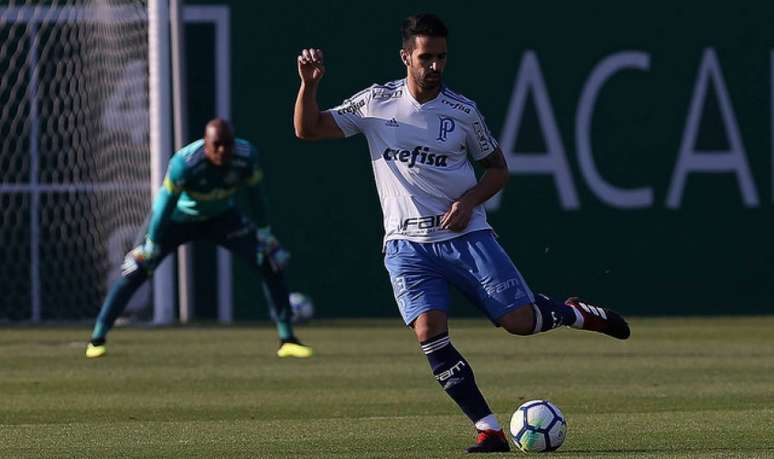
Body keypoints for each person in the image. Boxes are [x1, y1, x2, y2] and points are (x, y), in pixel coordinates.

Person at [293, 13, 629, 453]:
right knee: (429, 331)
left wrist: (469, 201)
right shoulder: (376, 103)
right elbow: (307, 129)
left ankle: (572, 313)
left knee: (519, 322)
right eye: (425, 57)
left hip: (467, 237)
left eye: (441, 58)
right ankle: (489, 428)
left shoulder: (462, 112)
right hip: (406, 246)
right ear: (406, 58)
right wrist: (309, 85)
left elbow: (498, 169)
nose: (434, 66)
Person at [86, 118, 314, 360]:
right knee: (136, 269)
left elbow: (256, 197)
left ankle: (287, 339)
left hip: (222, 218)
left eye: (228, 144)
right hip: (178, 220)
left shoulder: (246, 157)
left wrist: (265, 234)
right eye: (217, 145)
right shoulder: (185, 164)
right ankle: (97, 339)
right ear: (206, 144)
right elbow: (164, 205)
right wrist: (151, 244)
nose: (223, 150)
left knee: (268, 261)